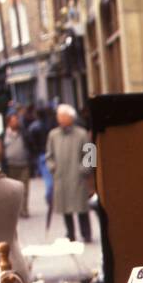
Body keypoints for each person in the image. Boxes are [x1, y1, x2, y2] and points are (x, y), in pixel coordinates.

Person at [46, 103, 93, 242]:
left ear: (70, 117)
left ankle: (86, 233)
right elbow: (49, 155)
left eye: (62, 116)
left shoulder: (82, 133)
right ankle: (70, 233)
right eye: (58, 116)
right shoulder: (53, 135)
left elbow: (90, 154)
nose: (59, 119)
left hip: (77, 177)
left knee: (81, 207)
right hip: (61, 176)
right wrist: (52, 167)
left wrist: (84, 169)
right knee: (65, 207)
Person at [1, 110, 32, 217]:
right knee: (13, 190)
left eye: (17, 120)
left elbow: (30, 144)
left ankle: (24, 210)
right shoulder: (3, 135)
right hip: (10, 166)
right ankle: (16, 210)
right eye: (14, 120)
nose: (16, 122)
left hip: (24, 164)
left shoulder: (23, 132)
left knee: (24, 189)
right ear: (8, 122)